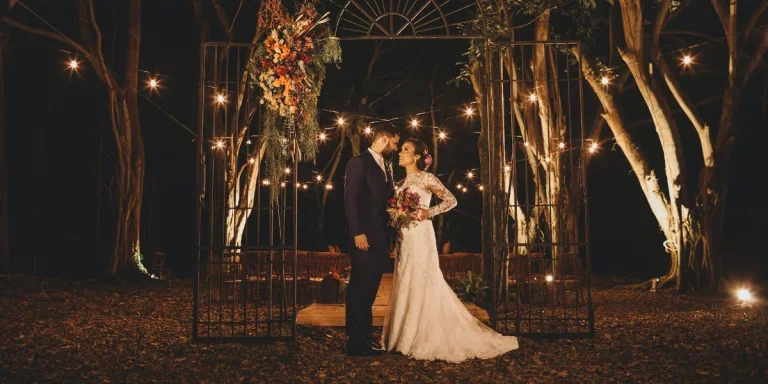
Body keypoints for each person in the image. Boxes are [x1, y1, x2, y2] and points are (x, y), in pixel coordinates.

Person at [381, 138, 519, 363]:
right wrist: (396, 216)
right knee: (406, 278)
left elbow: (451, 200)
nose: (400, 153)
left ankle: (422, 334)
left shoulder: (427, 178)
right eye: (401, 149)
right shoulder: (401, 182)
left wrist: (429, 212)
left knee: (422, 279)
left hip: (421, 235)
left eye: (405, 150)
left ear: (416, 156)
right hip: (404, 237)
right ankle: (403, 335)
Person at [343, 127, 399, 357]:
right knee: (359, 287)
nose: (395, 148)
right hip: (364, 237)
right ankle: (355, 342)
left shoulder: (385, 166)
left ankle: (364, 337)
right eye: (394, 143)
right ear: (384, 139)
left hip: (380, 237)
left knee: (370, 288)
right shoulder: (358, 162)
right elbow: (350, 199)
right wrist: (357, 232)